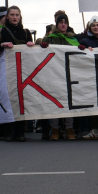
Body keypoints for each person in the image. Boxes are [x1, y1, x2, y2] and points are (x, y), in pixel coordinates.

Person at [0, 6, 35, 142]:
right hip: (5, 74)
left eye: (17, 15)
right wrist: (1, 45)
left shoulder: (25, 33)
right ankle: (10, 131)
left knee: (20, 101)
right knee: (8, 101)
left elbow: (32, 55)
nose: (14, 17)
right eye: (12, 15)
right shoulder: (0, 32)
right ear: (7, 16)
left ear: (20, 17)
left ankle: (20, 132)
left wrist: (32, 46)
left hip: (22, 73)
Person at [40, 13, 86, 141]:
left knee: (68, 102)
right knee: (54, 101)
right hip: (53, 75)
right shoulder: (49, 39)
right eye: (61, 22)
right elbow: (40, 54)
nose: (63, 24)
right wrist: (42, 47)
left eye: (65, 22)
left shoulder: (72, 39)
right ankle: (54, 129)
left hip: (68, 75)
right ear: (56, 24)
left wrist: (81, 49)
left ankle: (69, 128)